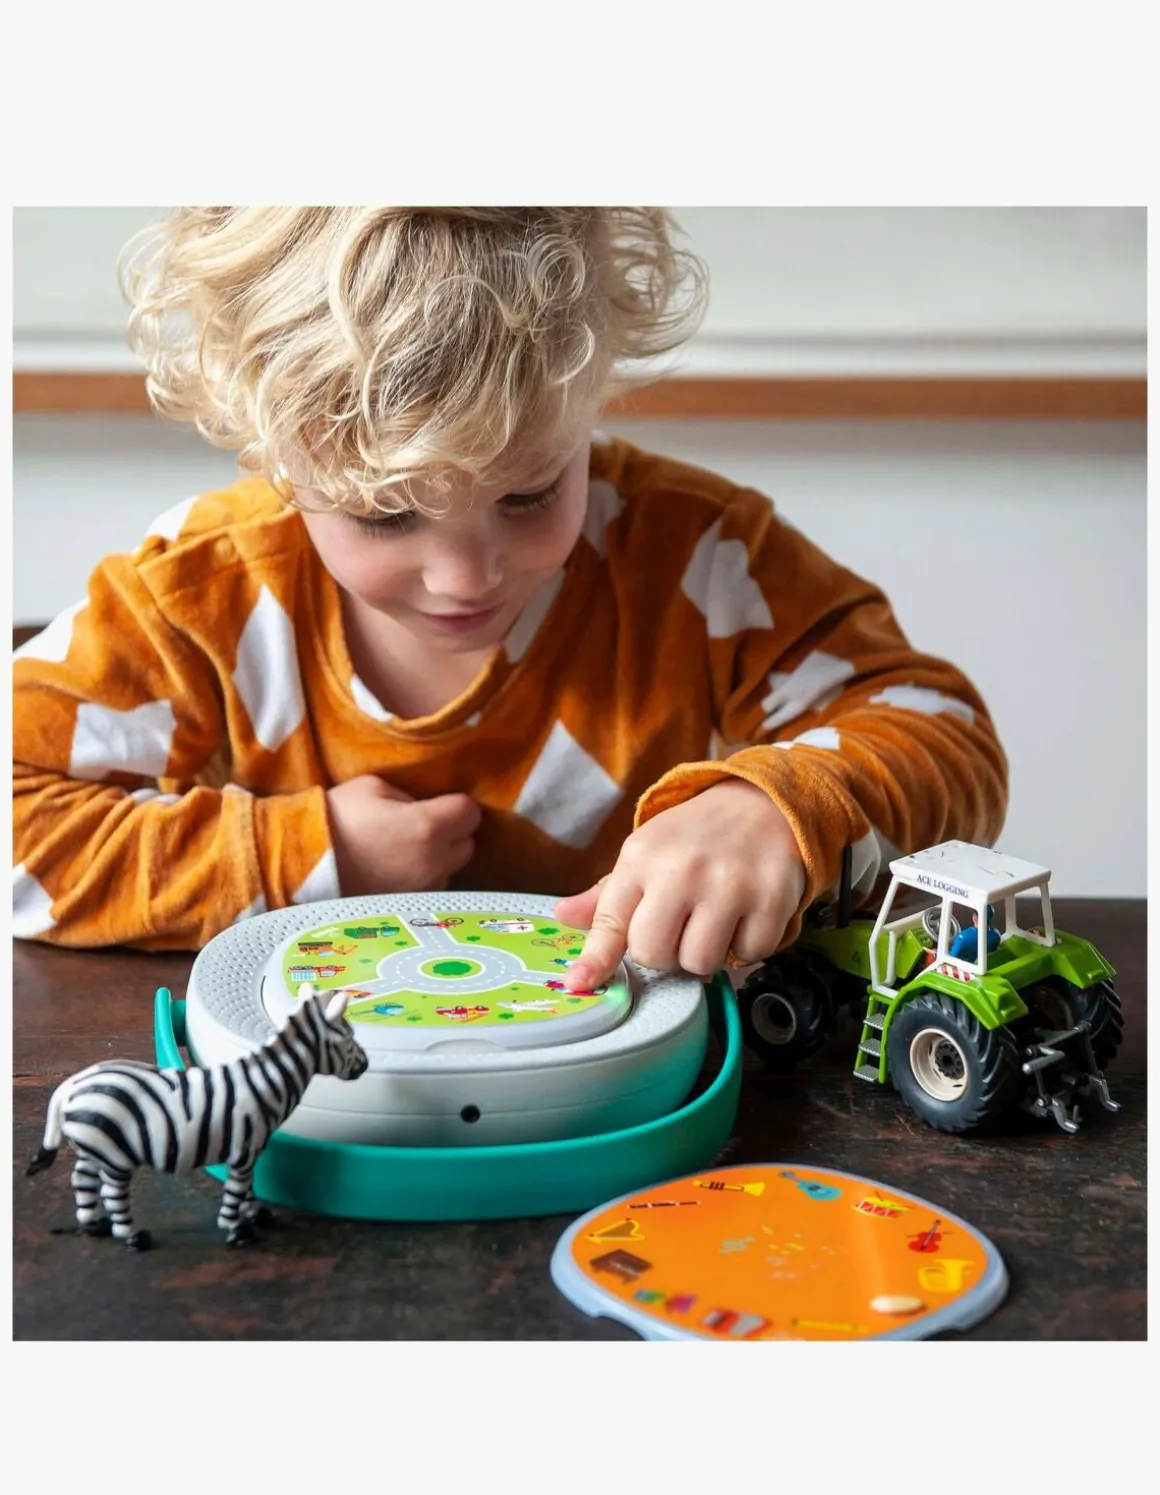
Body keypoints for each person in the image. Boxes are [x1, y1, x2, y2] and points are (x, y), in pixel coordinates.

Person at [12, 206, 1008, 990]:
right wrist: (300, 854)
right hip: (327, 1090)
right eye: (385, 513)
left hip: (636, 1090)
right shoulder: (200, 595)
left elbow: (942, 731)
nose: (466, 576)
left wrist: (774, 811)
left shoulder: (696, 558)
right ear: (276, 452)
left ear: (588, 398)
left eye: (527, 494)